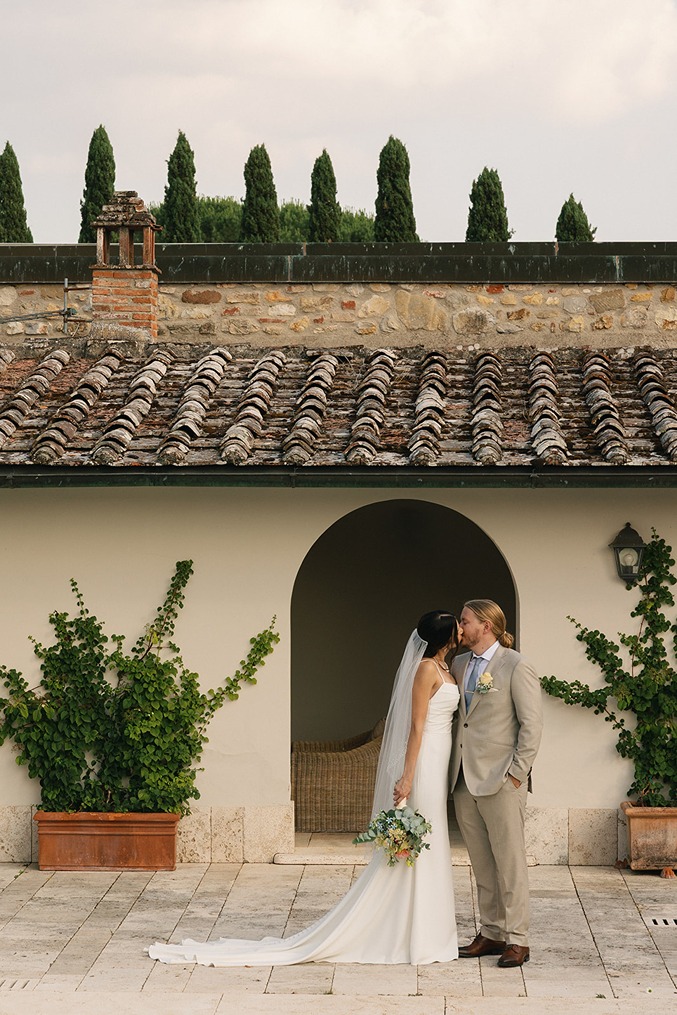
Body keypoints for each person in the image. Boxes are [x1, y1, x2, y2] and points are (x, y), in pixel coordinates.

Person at [149, 610, 461, 967]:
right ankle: (410, 933)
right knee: (419, 841)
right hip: (423, 763)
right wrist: (407, 777)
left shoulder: (448, 669)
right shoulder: (424, 670)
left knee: (432, 842)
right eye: (456, 627)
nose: (461, 631)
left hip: (439, 761)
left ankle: (428, 930)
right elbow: (415, 728)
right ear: (445, 637)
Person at [450, 599, 542, 969]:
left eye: (465, 621)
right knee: (482, 863)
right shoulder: (457, 664)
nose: (460, 627)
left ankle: (518, 940)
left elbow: (532, 727)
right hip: (462, 780)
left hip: (503, 780)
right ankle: (491, 932)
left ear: (486, 625)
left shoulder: (516, 665)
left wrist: (516, 774)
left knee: (510, 863)